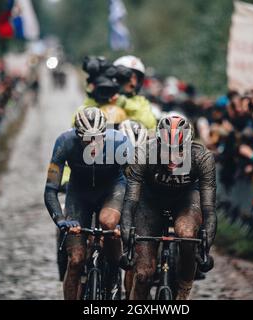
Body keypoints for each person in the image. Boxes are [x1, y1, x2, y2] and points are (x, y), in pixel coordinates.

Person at [120, 115, 217, 300]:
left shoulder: (202, 157)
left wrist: (205, 250)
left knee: (187, 233)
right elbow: (130, 203)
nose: (172, 157)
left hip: (186, 199)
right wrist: (128, 245)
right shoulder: (143, 154)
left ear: (188, 146)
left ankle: (183, 289)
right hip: (150, 202)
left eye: (178, 151)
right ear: (157, 144)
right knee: (143, 275)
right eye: (167, 150)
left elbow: (209, 209)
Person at [44, 107, 130, 300]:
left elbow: (135, 185)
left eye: (97, 138)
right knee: (75, 260)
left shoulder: (120, 142)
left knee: (108, 223)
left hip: (112, 189)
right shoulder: (64, 142)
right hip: (79, 194)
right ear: (77, 134)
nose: (93, 143)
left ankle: (114, 267)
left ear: (104, 133)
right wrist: (60, 220)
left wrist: (125, 222)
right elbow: (50, 189)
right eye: (86, 139)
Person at [113, 56, 157, 129]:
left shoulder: (141, 101)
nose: (130, 80)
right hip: (106, 138)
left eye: (134, 77)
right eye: (126, 76)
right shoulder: (104, 95)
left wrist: (125, 103)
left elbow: (149, 123)